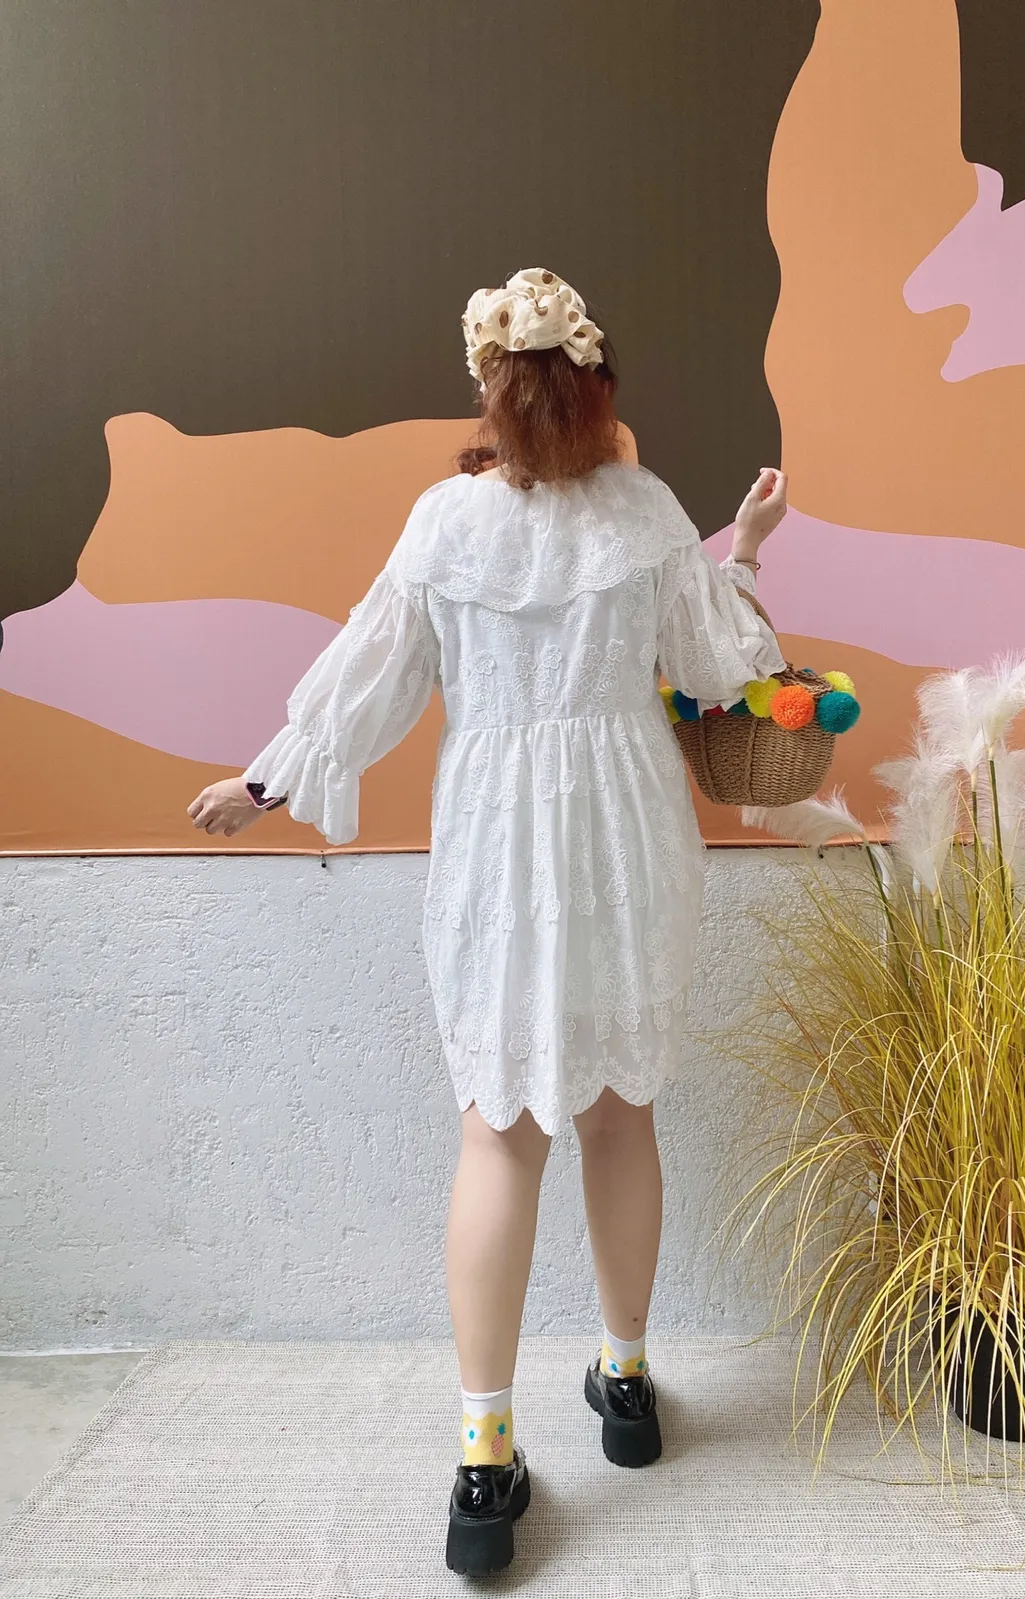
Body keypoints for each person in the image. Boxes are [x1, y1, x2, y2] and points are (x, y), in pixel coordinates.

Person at [187, 267, 789, 1576]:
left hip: (497, 844)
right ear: (596, 386)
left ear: (490, 391)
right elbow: (724, 669)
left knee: (498, 1134)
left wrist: (267, 780)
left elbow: (368, 675)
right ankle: (626, 1382)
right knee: (620, 1111)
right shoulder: (645, 510)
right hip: (626, 837)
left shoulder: (442, 522)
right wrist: (744, 549)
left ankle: (483, 1455)